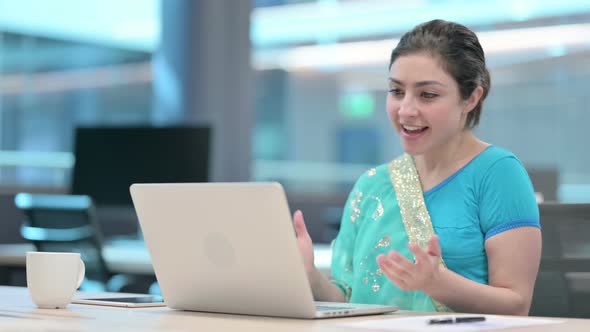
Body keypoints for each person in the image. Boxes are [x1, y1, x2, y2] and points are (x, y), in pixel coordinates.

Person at [293, 19, 542, 315]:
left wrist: (438, 283)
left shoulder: (499, 173)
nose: (406, 110)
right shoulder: (372, 185)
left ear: (471, 98)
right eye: (397, 91)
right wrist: (307, 276)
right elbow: (349, 303)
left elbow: (517, 305)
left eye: (427, 95)